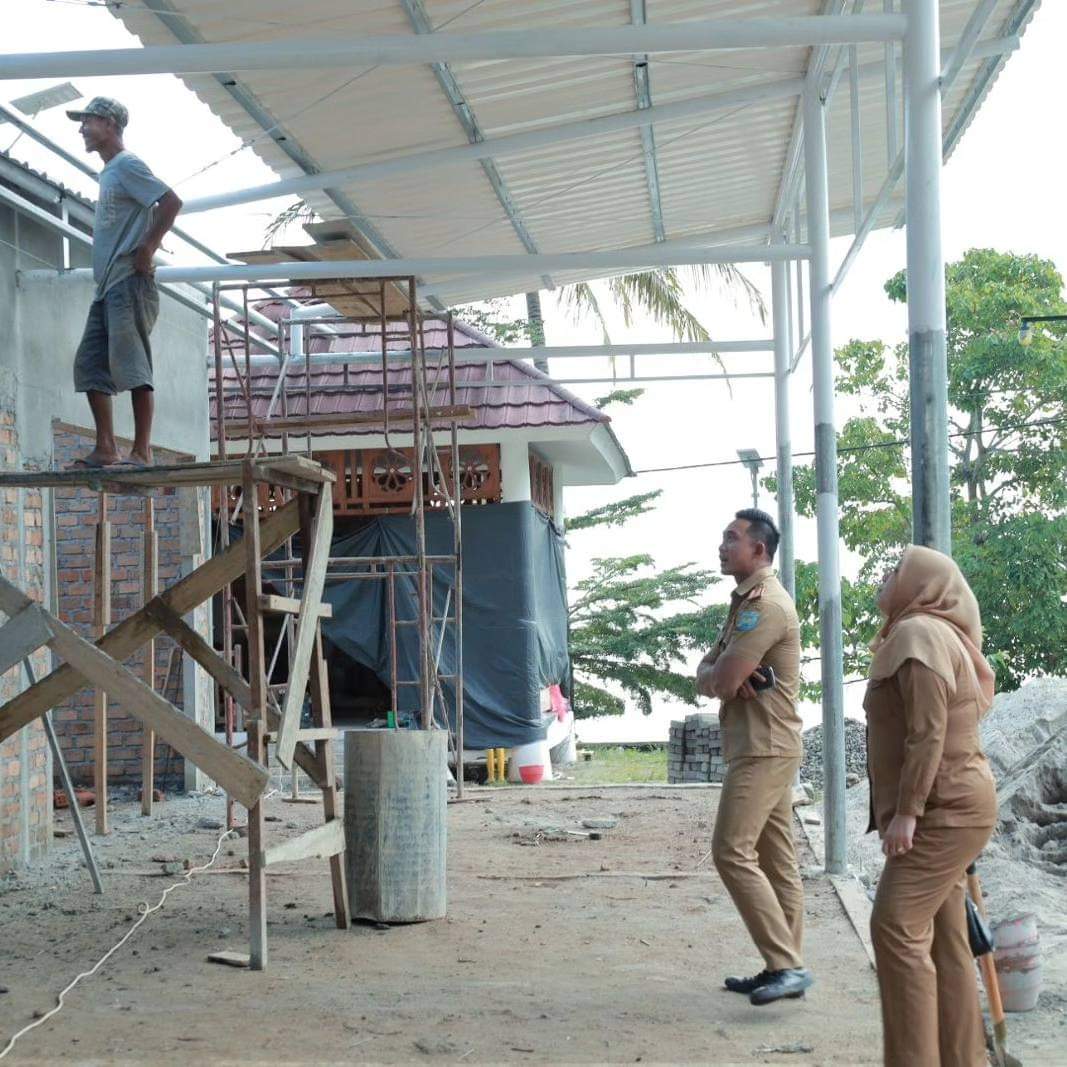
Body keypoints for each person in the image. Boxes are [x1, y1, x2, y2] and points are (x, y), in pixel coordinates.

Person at [865, 545, 997, 1066]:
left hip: (945, 809)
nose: (886, 574)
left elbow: (928, 732)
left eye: (897, 569)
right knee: (946, 942)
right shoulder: (930, 633)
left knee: (894, 928)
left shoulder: (918, 634)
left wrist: (908, 812)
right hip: (958, 803)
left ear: (921, 585)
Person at [695, 509, 811, 1006]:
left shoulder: (765, 607)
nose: (722, 546)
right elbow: (710, 672)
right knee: (776, 860)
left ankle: (785, 965)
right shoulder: (744, 602)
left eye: (732, 538)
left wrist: (718, 676)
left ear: (759, 549)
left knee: (731, 851)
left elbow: (718, 680)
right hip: (761, 744)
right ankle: (785, 966)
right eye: (723, 537)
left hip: (764, 748)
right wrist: (717, 675)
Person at [65, 97, 182, 468]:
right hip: (108, 287)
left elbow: (171, 202)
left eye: (88, 121)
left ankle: (142, 450)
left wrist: (147, 247)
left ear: (111, 125)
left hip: (129, 281)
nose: (81, 128)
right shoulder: (110, 173)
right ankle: (106, 447)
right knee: (90, 364)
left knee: (132, 365)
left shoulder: (127, 164)